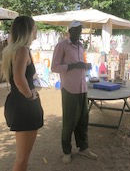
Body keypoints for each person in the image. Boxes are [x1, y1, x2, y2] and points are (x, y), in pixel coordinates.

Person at [0, 16, 44, 171]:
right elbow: (19, 79)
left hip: (16, 103)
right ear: (29, 30)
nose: (36, 31)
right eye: (35, 28)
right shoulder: (23, 50)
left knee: (22, 157)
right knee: (23, 158)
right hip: (25, 106)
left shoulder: (13, 50)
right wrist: (30, 96)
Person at [51, 20, 98, 164]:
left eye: (80, 30)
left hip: (82, 88)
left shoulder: (80, 46)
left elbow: (80, 65)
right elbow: (54, 67)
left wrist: (85, 66)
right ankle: (66, 151)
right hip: (69, 89)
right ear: (70, 31)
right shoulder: (61, 46)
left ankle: (83, 148)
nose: (79, 32)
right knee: (69, 122)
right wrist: (73, 66)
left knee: (83, 120)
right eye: (76, 30)